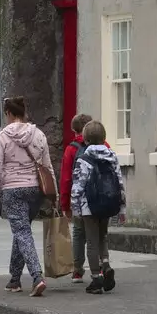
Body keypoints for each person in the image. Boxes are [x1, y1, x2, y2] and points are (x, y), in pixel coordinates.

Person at [0, 96, 56, 296]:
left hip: (13, 189)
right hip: (35, 189)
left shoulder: (2, 137)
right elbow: (47, 166)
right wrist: (54, 193)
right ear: (24, 112)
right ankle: (14, 279)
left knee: (22, 232)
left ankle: (37, 276)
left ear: (8, 113)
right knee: (22, 231)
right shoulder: (39, 135)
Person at [71, 120, 125, 294]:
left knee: (91, 242)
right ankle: (106, 264)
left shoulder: (84, 159)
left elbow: (78, 186)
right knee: (103, 237)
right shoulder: (112, 156)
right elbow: (119, 182)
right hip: (108, 203)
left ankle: (96, 278)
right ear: (104, 138)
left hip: (89, 206)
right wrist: (122, 207)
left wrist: (75, 208)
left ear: (85, 140)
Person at [59, 112, 107, 284]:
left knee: (79, 234)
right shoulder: (106, 146)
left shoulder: (72, 149)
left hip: (83, 201)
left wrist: (65, 204)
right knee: (101, 234)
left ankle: (78, 270)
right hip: (104, 199)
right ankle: (103, 264)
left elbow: (66, 179)